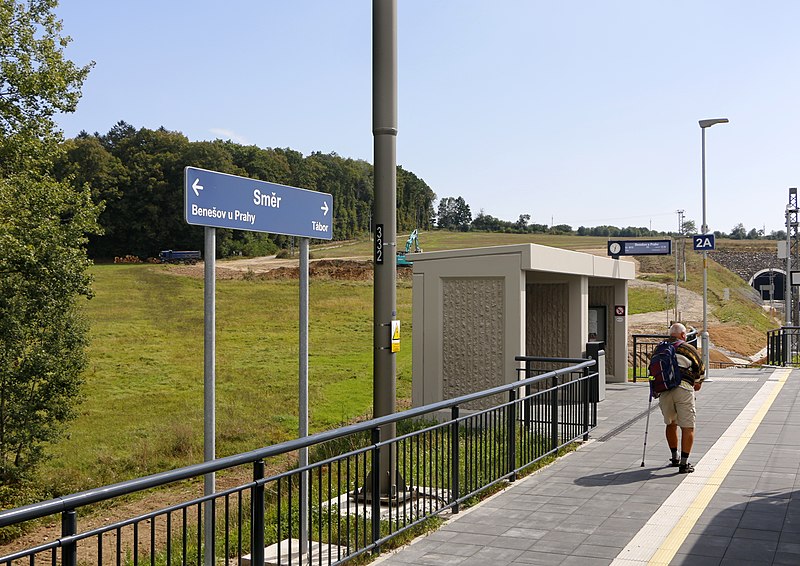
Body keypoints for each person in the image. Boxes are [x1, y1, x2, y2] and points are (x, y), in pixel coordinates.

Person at [659, 322, 705, 474]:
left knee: (671, 423)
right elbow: (700, 370)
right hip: (683, 389)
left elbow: (652, 370)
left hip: (664, 390)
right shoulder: (688, 348)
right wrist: (697, 383)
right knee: (688, 426)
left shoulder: (660, 348)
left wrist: (654, 387)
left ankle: (674, 457)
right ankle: (684, 464)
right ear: (684, 335)